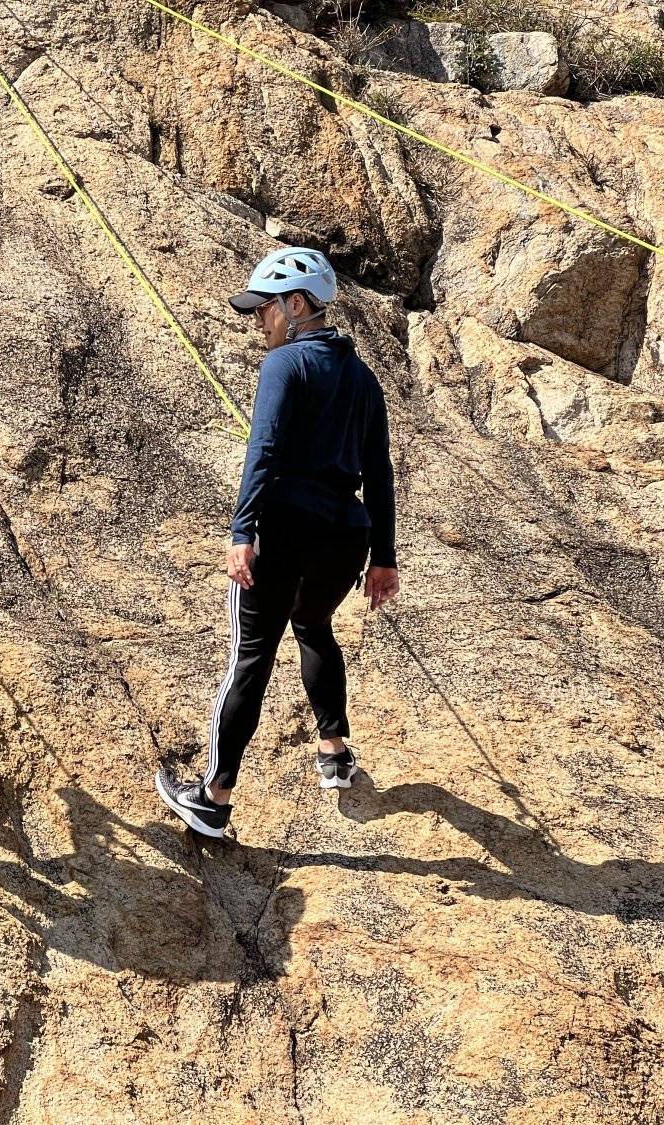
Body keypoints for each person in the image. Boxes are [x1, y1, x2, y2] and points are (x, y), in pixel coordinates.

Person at [156, 247, 399, 838]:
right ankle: (335, 751)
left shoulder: (285, 365)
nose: (258, 322)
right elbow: (381, 470)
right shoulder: (364, 378)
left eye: (263, 308)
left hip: (287, 531)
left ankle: (213, 797)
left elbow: (261, 451)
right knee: (313, 625)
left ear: (297, 305)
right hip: (346, 537)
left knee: (251, 654)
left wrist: (243, 532)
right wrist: (384, 556)